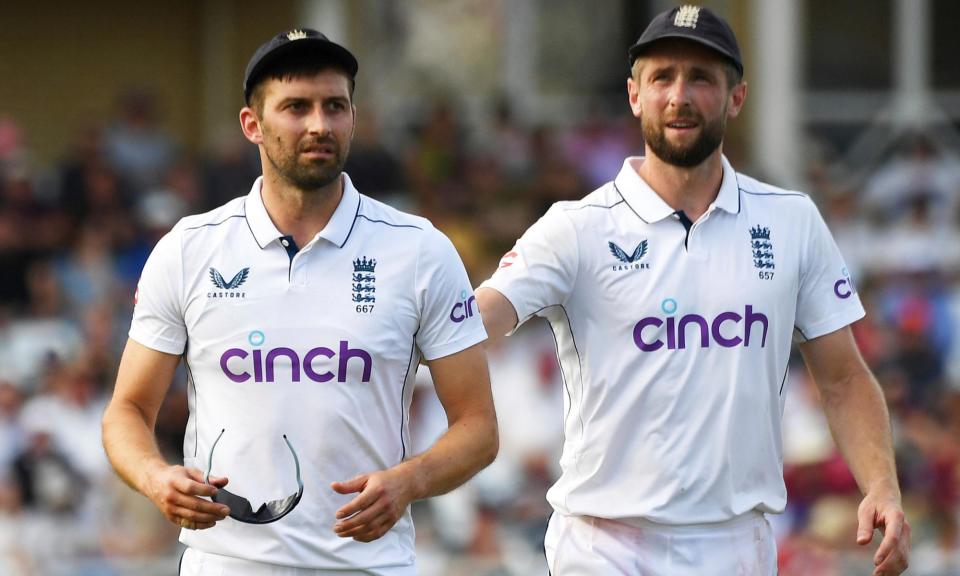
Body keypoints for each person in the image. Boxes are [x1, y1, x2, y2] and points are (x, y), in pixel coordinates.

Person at [476, 6, 909, 576]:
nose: (679, 95)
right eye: (662, 77)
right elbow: (476, 319)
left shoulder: (792, 221)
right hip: (604, 544)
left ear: (736, 97)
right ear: (635, 95)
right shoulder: (577, 227)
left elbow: (844, 376)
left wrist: (882, 486)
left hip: (736, 544)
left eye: (701, 78)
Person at [102, 28, 498, 575]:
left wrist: (411, 481)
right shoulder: (189, 249)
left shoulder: (420, 250)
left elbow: (478, 426)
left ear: (353, 119)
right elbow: (127, 411)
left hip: (369, 566)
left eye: (335, 106)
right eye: (296, 107)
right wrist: (155, 477)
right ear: (252, 125)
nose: (319, 124)